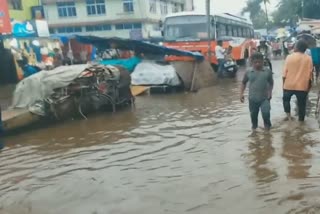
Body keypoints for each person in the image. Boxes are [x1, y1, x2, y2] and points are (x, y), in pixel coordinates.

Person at [240, 52, 274, 131]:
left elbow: (271, 83)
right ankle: (254, 133)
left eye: (260, 62)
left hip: (265, 98)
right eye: (255, 62)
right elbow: (243, 83)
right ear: (252, 62)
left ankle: (267, 133)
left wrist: (270, 92)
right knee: (253, 118)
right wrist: (241, 94)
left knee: (266, 114)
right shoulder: (248, 72)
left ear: (263, 61)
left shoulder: (267, 71)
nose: (258, 64)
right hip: (252, 99)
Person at [283, 39, 313, 122]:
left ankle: (289, 117)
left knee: (286, 100)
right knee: (302, 105)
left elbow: (284, 73)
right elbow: (310, 74)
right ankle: (301, 121)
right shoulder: (309, 58)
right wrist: (309, 86)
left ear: (296, 47)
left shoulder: (289, 57)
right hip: (302, 86)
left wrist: (283, 85)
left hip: (288, 85)